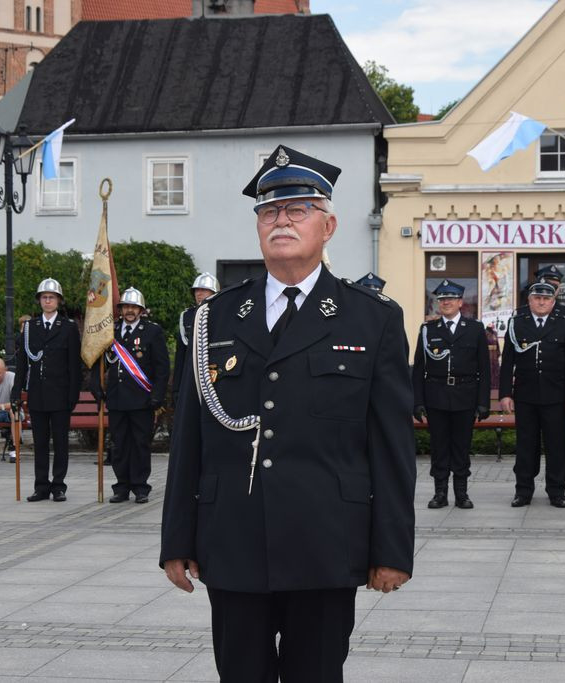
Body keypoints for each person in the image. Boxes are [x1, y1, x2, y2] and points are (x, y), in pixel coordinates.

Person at [160, 144, 415, 683]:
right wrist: (177, 541)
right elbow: (189, 441)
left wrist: (392, 549)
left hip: (326, 542)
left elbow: (392, 447)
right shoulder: (214, 317)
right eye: (269, 210)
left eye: (297, 209)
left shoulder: (372, 321)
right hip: (233, 540)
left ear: (329, 226)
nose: (281, 220)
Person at [499, 280, 565, 508]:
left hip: (557, 395)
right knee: (526, 445)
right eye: (537, 298)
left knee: (557, 445)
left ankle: (557, 491)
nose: (542, 302)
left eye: (546, 298)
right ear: (529, 300)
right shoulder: (517, 323)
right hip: (526, 396)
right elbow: (507, 362)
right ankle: (523, 491)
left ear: (553, 301)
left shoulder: (564, 322)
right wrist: (506, 393)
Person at [412, 279, 491, 509]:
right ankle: (440, 493)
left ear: (460, 302)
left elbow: (484, 369)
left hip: (465, 396)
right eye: (442, 299)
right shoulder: (428, 330)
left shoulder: (475, 329)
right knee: (439, 447)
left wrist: (483, 402)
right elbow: (418, 369)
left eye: (450, 299)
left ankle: (462, 493)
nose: (445, 302)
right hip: (436, 396)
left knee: (461, 446)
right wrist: (417, 402)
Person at [89, 287, 170, 504]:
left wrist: (157, 395)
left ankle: (140, 487)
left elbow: (162, 368)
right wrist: (96, 385)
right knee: (119, 444)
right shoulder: (110, 332)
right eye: (126, 307)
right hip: (116, 399)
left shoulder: (152, 332)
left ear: (141, 310)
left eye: (134, 307)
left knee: (140, 444)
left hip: (142, 399)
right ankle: (121, 486)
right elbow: (98, 362)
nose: (130, 311)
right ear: (121, 309)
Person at [12, 278, 82, 502]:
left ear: (58, 301)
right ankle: (41, 486)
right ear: (39, 301)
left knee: (61, 442)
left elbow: (74, 365)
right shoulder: (30, 328)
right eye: (44, 297)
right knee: (40, 442)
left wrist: (73, 394)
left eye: (52, 297)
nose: (48, 301)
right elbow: (22, 363)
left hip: (60, 394)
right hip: (38, 393)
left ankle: (58, 485)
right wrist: (16, 392)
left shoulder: (68, 327)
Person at [171, 273, 218, 408]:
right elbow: (181, 355)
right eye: (197, 290)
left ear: (214, 292)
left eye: (204, 290)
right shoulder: (187, 316)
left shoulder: (222, 313)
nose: (199, 293)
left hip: (214, 374)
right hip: (191, 374)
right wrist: (176, 388)